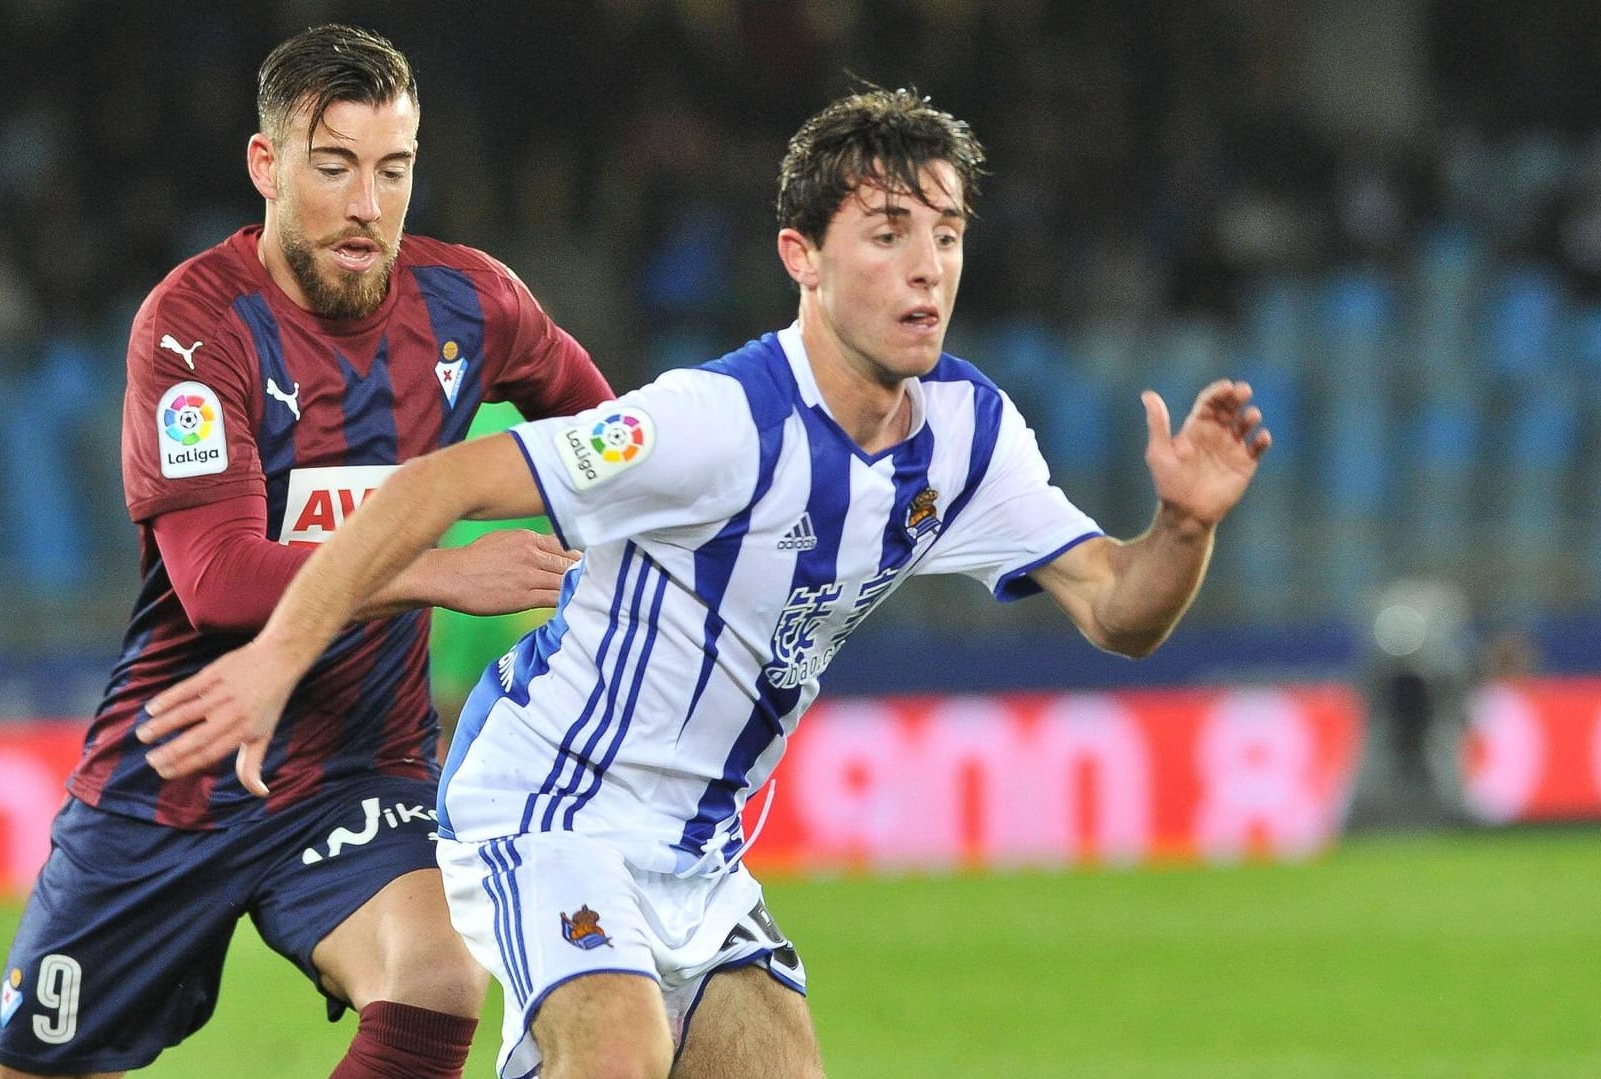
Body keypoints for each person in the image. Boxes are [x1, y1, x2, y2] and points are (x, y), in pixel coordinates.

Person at [139, 86, 1270, 1078]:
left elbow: (1121, 610)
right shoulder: (713, 422)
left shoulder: (970, 437)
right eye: (887, 233)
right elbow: (431, 485)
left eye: (947, 233)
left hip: (701, 850)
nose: (928, 266)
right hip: (545, 801)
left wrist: (1179, 523)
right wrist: (281, 653)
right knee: (616, 1049)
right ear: (802, 258)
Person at [0, 23, 612, 1079]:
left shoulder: (472, 304)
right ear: (267, 166)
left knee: (439, 977)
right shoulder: (194, 327)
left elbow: (616, 444)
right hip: (171, 773)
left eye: (394, 169)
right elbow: (221, 581)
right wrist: (438, 570)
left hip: (354, 766)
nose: (368, 204)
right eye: (335, 168)